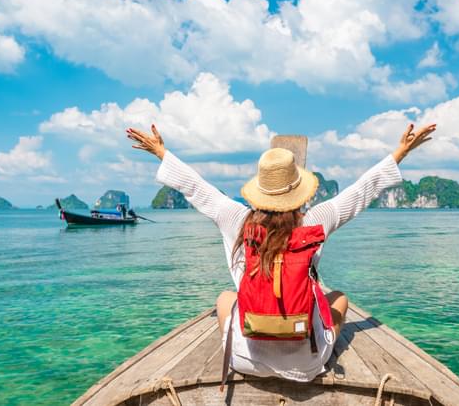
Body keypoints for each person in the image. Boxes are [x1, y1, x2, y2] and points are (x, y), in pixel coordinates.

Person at [126, 122, 436, 382]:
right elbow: (360, 192)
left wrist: (160, 152)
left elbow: (196, 188)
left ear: (259, 190)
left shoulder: (236, 219)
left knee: (224, 299)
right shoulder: (315, 221)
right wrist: (400, 153)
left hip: (245, 360)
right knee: (339, 298)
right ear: (299, 191)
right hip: (307, 364)